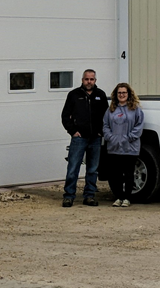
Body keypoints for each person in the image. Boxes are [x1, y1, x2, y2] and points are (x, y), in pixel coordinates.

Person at [60, 69, 109, 207]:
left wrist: (102, 132)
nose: (89, 82)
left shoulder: (101, 95)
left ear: (95, 80)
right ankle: (69, 196)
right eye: (86, 79)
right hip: (79, 138)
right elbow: (65, 116)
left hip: (95, 139)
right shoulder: (74, 95)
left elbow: (107, 116)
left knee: (93, 169)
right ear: (82, 80)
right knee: (73, 168)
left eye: (91, 79)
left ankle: (89, 195)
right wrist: (72, 131)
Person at [102, 83, 144, 207]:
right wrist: (111, 138)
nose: (121, 95)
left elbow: (139, 126)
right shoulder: (111, 110)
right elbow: (105, 125)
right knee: (116, 175)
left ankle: (127, 198)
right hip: (114, 148)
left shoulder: (135, 109)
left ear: (128, 94)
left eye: (124, 92)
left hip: (130, 148)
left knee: (129, 174)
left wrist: (129, 138)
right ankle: (119, 197)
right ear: (116, 94)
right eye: (119, 93)